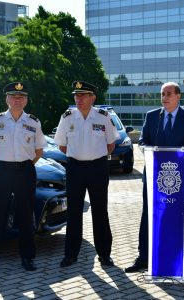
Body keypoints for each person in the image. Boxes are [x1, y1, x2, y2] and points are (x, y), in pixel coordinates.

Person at [0, 82, 47, 276]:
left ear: (26, 100)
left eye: (21, 97)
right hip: (2, 171)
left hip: (25, 171)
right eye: (14, 96)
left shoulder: (33, 122)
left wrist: (25, 165)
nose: (17, 100)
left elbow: (38, 151)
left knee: (25, 214)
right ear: (7, 99)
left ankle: (27, 256)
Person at [124, 82, 184, 273]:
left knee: (175, 217)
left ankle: (174, 259)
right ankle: (144, 257)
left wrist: (183, 152)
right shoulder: (152, 117)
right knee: (149, 216)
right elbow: (143, 142)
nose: (164, 97)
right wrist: (150, 150)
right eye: (162, 94)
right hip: (154, 176)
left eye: (168, 94)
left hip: (178, 179)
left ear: (178, 96)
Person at [54, 81, 119, 268]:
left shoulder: (103, 117)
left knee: (100, 211)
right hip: (75, 168)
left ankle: (105, 254)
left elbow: (110, 144)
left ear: (93, 97)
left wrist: (93, 155)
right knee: (74, 212)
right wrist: (79, 154)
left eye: (83, 95)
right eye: (76, 95)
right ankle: (71, 255)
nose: (79, 99)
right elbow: (62, 145)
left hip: (98, 168)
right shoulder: (67, 117)